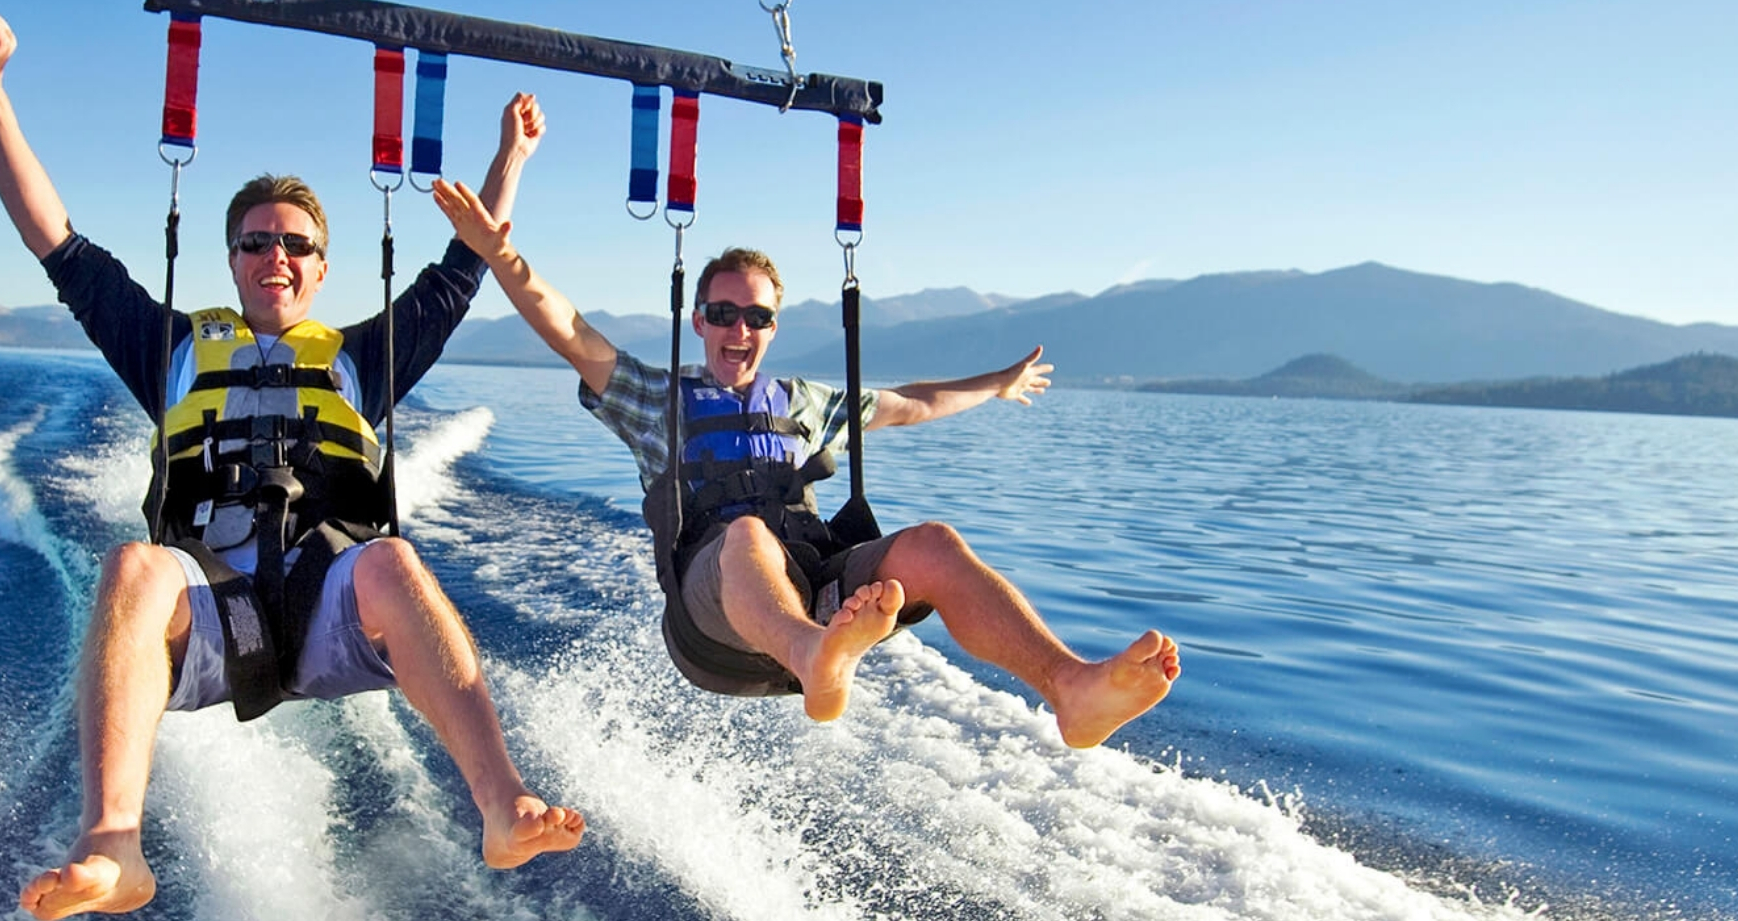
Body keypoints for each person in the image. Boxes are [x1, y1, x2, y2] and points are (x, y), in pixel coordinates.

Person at [0, 11, 585, 921]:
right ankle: (112, 845)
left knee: (395, 559)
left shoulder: (364, 359)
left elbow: (462, 267)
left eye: (295, 243)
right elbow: (54, 238)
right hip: (210, 611)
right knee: (131, 565)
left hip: (332, 606)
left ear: (323, 266)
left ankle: (501, 806)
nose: (275, 255)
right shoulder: (169, 345)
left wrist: (509, 158)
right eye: (256, 241)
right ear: (232, 260)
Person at [432, 177, 1181, 747]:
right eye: (722, 312)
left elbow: (914, 402)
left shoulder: (808, 401)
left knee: (933, 544)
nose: (738, 327)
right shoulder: (652, 397)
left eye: (756, 315)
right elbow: (568, 327)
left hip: (814, 588)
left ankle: (1069, 686)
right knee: (747, 536)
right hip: (714, 621)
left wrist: (996, 384)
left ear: (773, 325)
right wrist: (499, 252)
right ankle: (817, 653)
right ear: (699, 321)